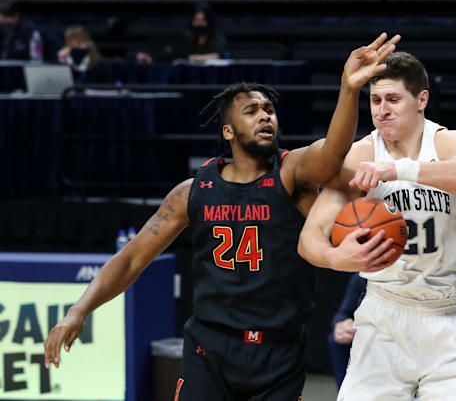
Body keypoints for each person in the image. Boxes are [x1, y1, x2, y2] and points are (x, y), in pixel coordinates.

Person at [43, 33, 400, 400]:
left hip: (279, 352)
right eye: (252, 111)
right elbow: (132, 257)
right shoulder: (193, 191)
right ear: (227, 131)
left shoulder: (291, 173)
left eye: (269, 110)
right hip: (209, 350)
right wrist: (78, 310)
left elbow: (333, 153)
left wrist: (348, 89)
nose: (265, 115)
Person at [298, 51, 456, 400]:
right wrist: (335, 258)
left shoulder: (448, 143)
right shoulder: (361, 155)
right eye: (375, 100)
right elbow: (310, 238)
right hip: (385, 315)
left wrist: (400, 169)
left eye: (392, 99)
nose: (381, 109)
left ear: (422, 100)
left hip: (452, 318)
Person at [136, 3, 226, 64]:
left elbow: (216, 56)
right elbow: (175, 53)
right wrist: (151, 56)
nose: (199, 24)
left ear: (209, 21)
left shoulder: (217, 37)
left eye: (202, 20)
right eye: (196, 20)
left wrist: (193, 58)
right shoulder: (189, 37)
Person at [327, 273, 366, 388]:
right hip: (373, 337)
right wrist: (341, 325)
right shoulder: (363, 277)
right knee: (337, 338)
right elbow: (343, 313)